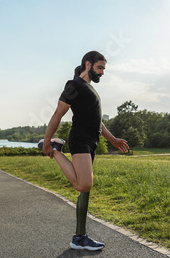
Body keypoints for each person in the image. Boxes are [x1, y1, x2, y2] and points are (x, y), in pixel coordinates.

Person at [39, 50, 129, 251]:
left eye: (104, 69)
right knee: (84, 185)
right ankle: (55, 149)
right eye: (100, 68)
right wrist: (46, 141)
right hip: (80, 139)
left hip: (91, 141)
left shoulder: (88, 88)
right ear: (88, 65)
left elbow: (97, 121)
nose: (102, 72)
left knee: (85, 191)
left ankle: (80, 238)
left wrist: (112, 139)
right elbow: (58, 113)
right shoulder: (74, 85)